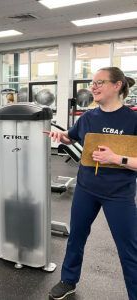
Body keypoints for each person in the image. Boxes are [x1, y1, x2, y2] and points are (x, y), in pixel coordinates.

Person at [46, 67, 137, 300]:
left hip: (119, 194)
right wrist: (61, 136)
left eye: (100, 82)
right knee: (76, 236)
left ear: (117, 86)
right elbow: (72, 136)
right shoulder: (88, 117)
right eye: (92, 83)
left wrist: (116, 159)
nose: (93, 87)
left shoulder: (133, 119)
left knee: (129, 249)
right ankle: (68, 280)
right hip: (86, 189)